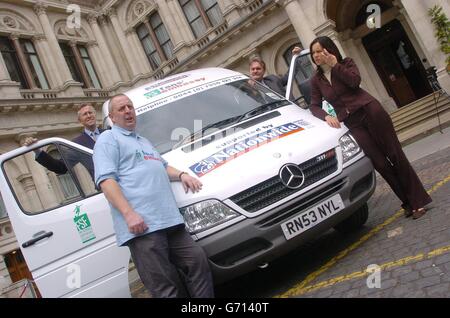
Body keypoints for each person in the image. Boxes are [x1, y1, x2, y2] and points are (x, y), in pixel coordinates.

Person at [93, 94, 214, 298]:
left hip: (169, 221)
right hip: (143, 227)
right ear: (112, 118)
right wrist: (129, 214)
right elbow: (106, 181)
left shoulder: (142, 140)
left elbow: (162, 167)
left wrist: (182, 175)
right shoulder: (108, 139)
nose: (128, 111)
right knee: (164, 286)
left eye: (130, 107)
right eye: (121, 109)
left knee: (197, 262)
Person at [308, 36, 431, 220]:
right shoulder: (316, 80)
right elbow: (314, 105)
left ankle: (417, 201)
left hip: (370, 111)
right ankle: (406, 201)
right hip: (351, 122)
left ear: (329, 49)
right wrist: (326, 116)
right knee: (380, 163)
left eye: (319, 51)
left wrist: (335, 65)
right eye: (313, 53)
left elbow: (354, 82)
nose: (316, 55)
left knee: (395, 155)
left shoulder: (346, 63)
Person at [23, 103, 104, 178]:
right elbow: (61, 167)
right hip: (104, 188)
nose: (89, 116)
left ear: (95, 114)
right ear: (80, 121)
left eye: (90, 112)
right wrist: (38, 151)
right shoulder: (78, 143)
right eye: (85, 114)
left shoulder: (110, 132)